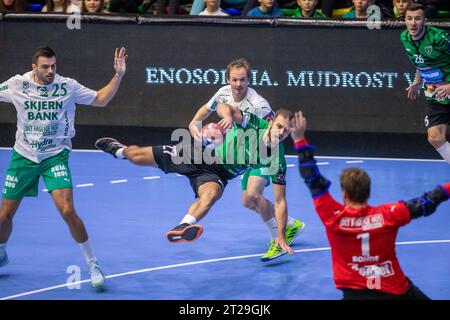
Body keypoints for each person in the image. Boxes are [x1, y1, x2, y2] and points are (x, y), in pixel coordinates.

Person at [95, 104, 299, 258]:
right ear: (271, 122)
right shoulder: (254, 123)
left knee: (211, 195)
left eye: (287, 131)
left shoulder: (276, 158)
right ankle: (119, 150)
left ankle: (182, 226)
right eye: (279, 126)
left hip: (217, 174)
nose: (281, 133)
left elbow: (280, 201)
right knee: (137, 156)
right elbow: (223, 107)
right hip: (197, 154)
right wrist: (228, 115)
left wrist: (280, 235)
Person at [0, 46, 128, 287]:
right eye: (45, 67)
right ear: (34, 67)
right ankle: (1, 251)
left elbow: (101, 99)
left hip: (55, 155)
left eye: (53, 66)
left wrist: (118, 75)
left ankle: (93, 264)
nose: (50, 71)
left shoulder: (67, 86)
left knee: (67, 210)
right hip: (23, 156)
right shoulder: (17, 85)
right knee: (4, 217)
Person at [290, 111, 450, 300]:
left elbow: (312, 179)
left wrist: (299, 140)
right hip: (395, 290)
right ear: (368, 192)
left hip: (354, 293)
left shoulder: (332, 216)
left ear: (344, 194)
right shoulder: (390, 214)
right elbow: (428, 201)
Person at [187, 58, 304, 261]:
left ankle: (276, 239)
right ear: (228, 80)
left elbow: (272, 135)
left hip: (264, 153)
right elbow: (207, 109)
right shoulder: (223, 92)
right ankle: (290, 224)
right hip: (245, 154)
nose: (238, 84)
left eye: (242, 80)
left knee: (253, 194)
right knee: (247, 202)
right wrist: (194, 123)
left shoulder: (259, 105)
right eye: (234, 80)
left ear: (249, 80)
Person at [401, 3, 450, 164]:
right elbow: (420, 63)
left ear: (425, 21)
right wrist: (417, 81)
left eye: (417, 19)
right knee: (435, 137)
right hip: (435, 94)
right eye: (409, 18)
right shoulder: (405, 38)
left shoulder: (438, 37)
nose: (413, 23)